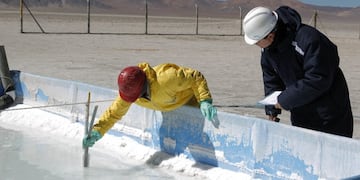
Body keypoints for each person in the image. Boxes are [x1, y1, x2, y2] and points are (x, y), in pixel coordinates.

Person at [242, 6, 353, 137]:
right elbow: (271, 79)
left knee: (334, 154)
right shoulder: (268, 50)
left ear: (270, 36)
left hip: (329, 114)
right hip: (300, 112)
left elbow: (318, 79)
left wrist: (284, 100)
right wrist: (272, 110)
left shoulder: (311, 41)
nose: (257, 46)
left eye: (257, 42)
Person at [83, 62, 217, 147]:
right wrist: (97, 131)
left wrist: (205, 100)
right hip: (167, 104)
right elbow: (114, 113)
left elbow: (196, 77)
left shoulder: (167, 79)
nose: (131, 100)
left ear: (141, 90)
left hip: (189, 100)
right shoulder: (131, 92)